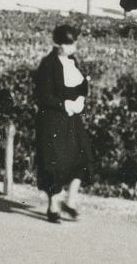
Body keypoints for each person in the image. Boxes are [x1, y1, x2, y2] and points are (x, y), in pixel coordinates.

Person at [33, 24, 93, 224]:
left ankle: (72, 201)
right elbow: (42, 96)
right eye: (68, 43)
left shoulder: (72, 61)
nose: (72, 47)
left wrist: (81, 99)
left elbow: (82, 85)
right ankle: (53, 205)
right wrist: (64, 103)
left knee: (82, 156)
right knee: (53, 163)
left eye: (73, 43)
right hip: (52, 121)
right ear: (57, 44)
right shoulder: (48, 65)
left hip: (71, 119)